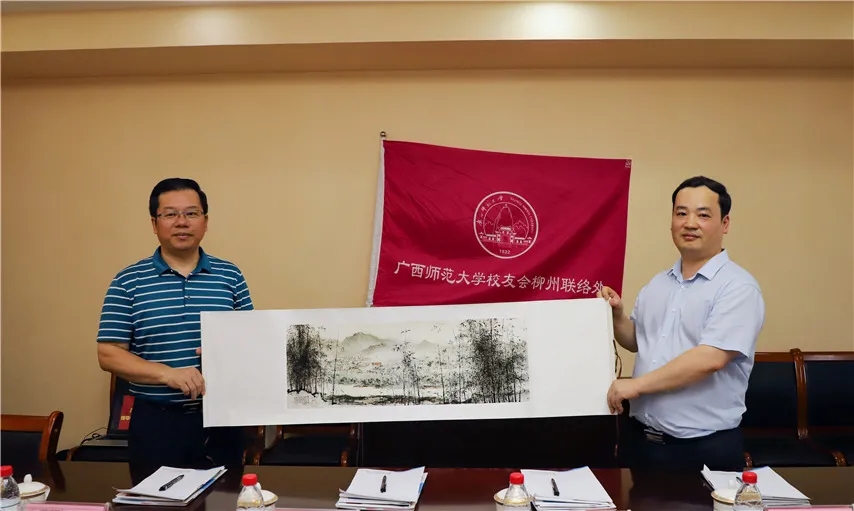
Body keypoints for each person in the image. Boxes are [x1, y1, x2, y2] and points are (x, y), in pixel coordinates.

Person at [598, 175, 765, 471]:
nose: (690, 223)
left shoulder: (738, 287)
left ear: (725, 223)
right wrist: (617, 315)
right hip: (640, 441)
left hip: (702, 448)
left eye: (703, 215)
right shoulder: (658, 284)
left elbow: (710, 358)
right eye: (681, 213)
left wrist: (636, 386)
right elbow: (637, 340)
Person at [96, 177, 253, 478]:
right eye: (170, 214)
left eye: (191, 213)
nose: (182, 222)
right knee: (156, 499)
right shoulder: (127, 281)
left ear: (205, 221)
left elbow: (250, 340)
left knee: (225, 497)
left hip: (222, 421)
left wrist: (228, 353)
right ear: (154, 224)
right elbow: (108, 354)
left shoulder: (230, 275)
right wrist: (167, 374)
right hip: (157, 422)